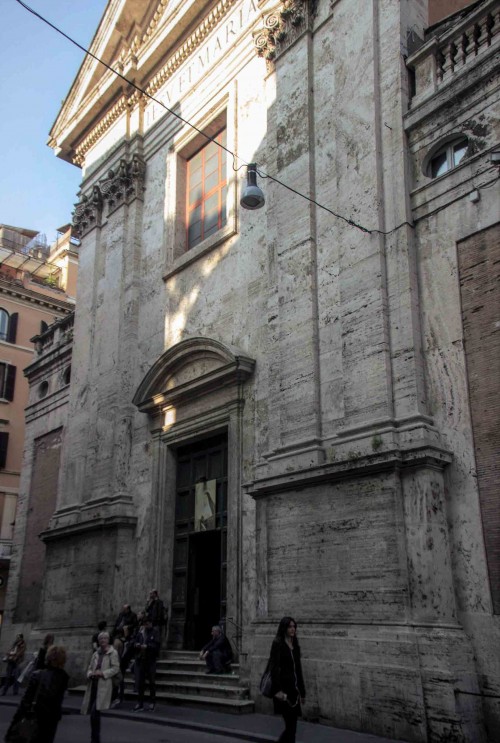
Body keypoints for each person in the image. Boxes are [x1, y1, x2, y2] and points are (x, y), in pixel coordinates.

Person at [5, 645, 69, 743]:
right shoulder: (64, 677)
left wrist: (14, 722)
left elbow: (25, 701)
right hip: (50, 722)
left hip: (34, 718)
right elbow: (58, 702)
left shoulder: (37, 675)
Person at [268, 617, 306, 743]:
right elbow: (274, 668)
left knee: (292, 728)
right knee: (290, 727)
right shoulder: (278, 643)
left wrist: (302, 692)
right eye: (290, 626)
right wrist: (277, 690)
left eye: (294, 626)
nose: (293, 629)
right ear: (284, 628)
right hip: (283, 691)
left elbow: (298, 669)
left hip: (294, 692)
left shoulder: (295, 644)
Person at [81, 631, 120, 743]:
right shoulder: (96, 654)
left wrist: (102, 673)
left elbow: (115, 668)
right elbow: (89, 667)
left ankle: (95, 738)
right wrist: (90, 674)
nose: (103, 640)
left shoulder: (113, 653)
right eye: (101, 639)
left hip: (103, 685)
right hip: (93, 684)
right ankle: (95, 737)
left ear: (108, 640)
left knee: (94, 712)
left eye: (105, 638)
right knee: (93, 713)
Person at [133, 618, 160, 712]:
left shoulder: (155, 632)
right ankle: (140, 703)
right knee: (140, 682)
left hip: (150, 660)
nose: (146, 625)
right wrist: (136, 645)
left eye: (148, 623)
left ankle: (152, 702)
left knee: (152, 682)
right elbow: (134, 641)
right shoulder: (140, 632)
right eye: (145, 624)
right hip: (141, 660)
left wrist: (148, 646)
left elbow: (157, 646)